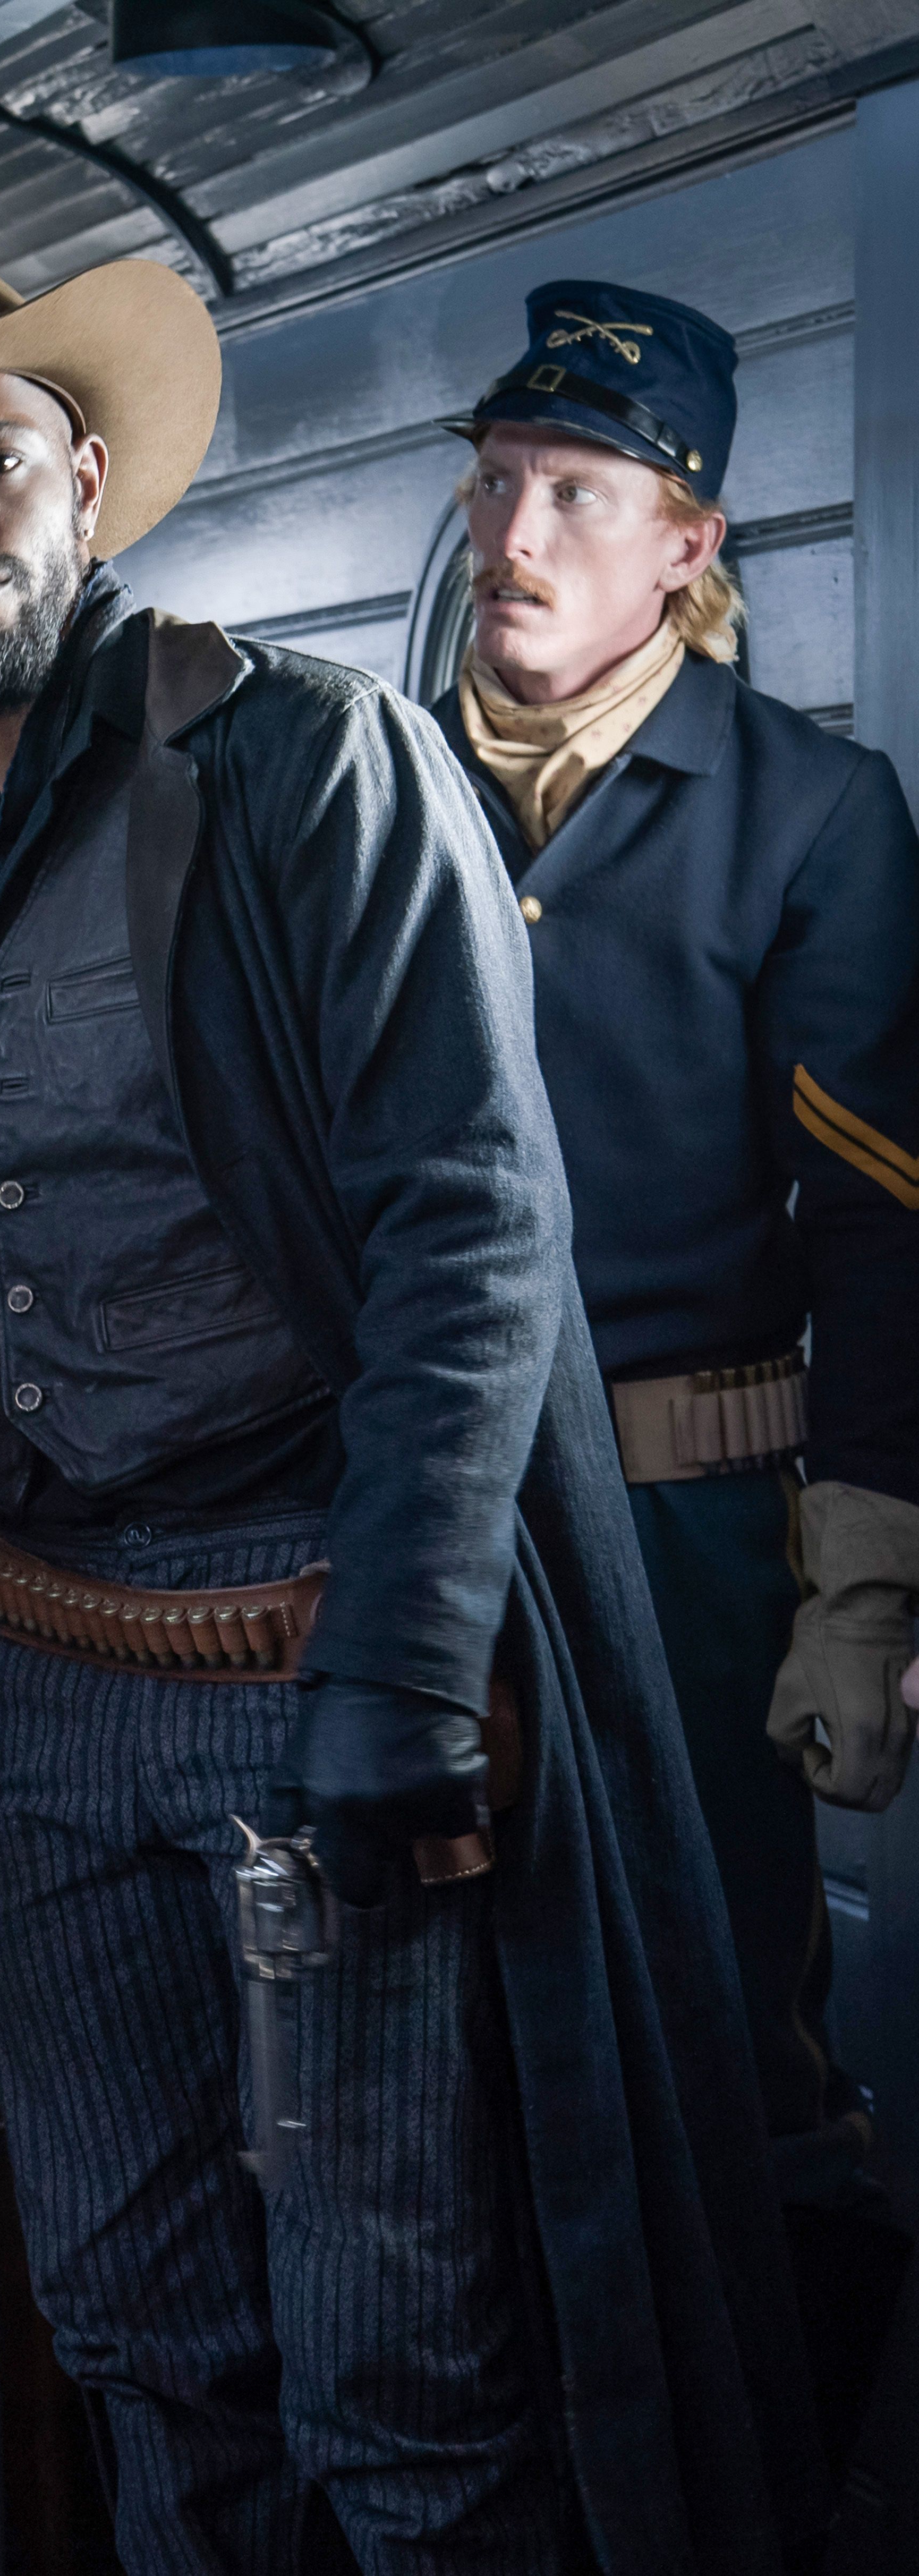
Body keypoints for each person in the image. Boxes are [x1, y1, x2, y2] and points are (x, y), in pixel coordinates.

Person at [0, 243, 820, 2570]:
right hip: (46, 1685)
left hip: (316, 1655)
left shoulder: (304, 764)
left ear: (82, 485)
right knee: (140, 2334)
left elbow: (467, 1231)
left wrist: (401, 1670)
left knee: (404, 2365)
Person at [440, 281, 919, 2386]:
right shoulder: (371, 788)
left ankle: (775, 2502)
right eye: (494, 482)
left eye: (575, 491)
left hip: (695, 1547)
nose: (517, 535)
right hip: (423, 1530)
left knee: (733, 2040)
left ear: (687, 549)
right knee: (439, 2039)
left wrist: (872, 1578)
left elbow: (880, 1229)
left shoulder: (806, 813)